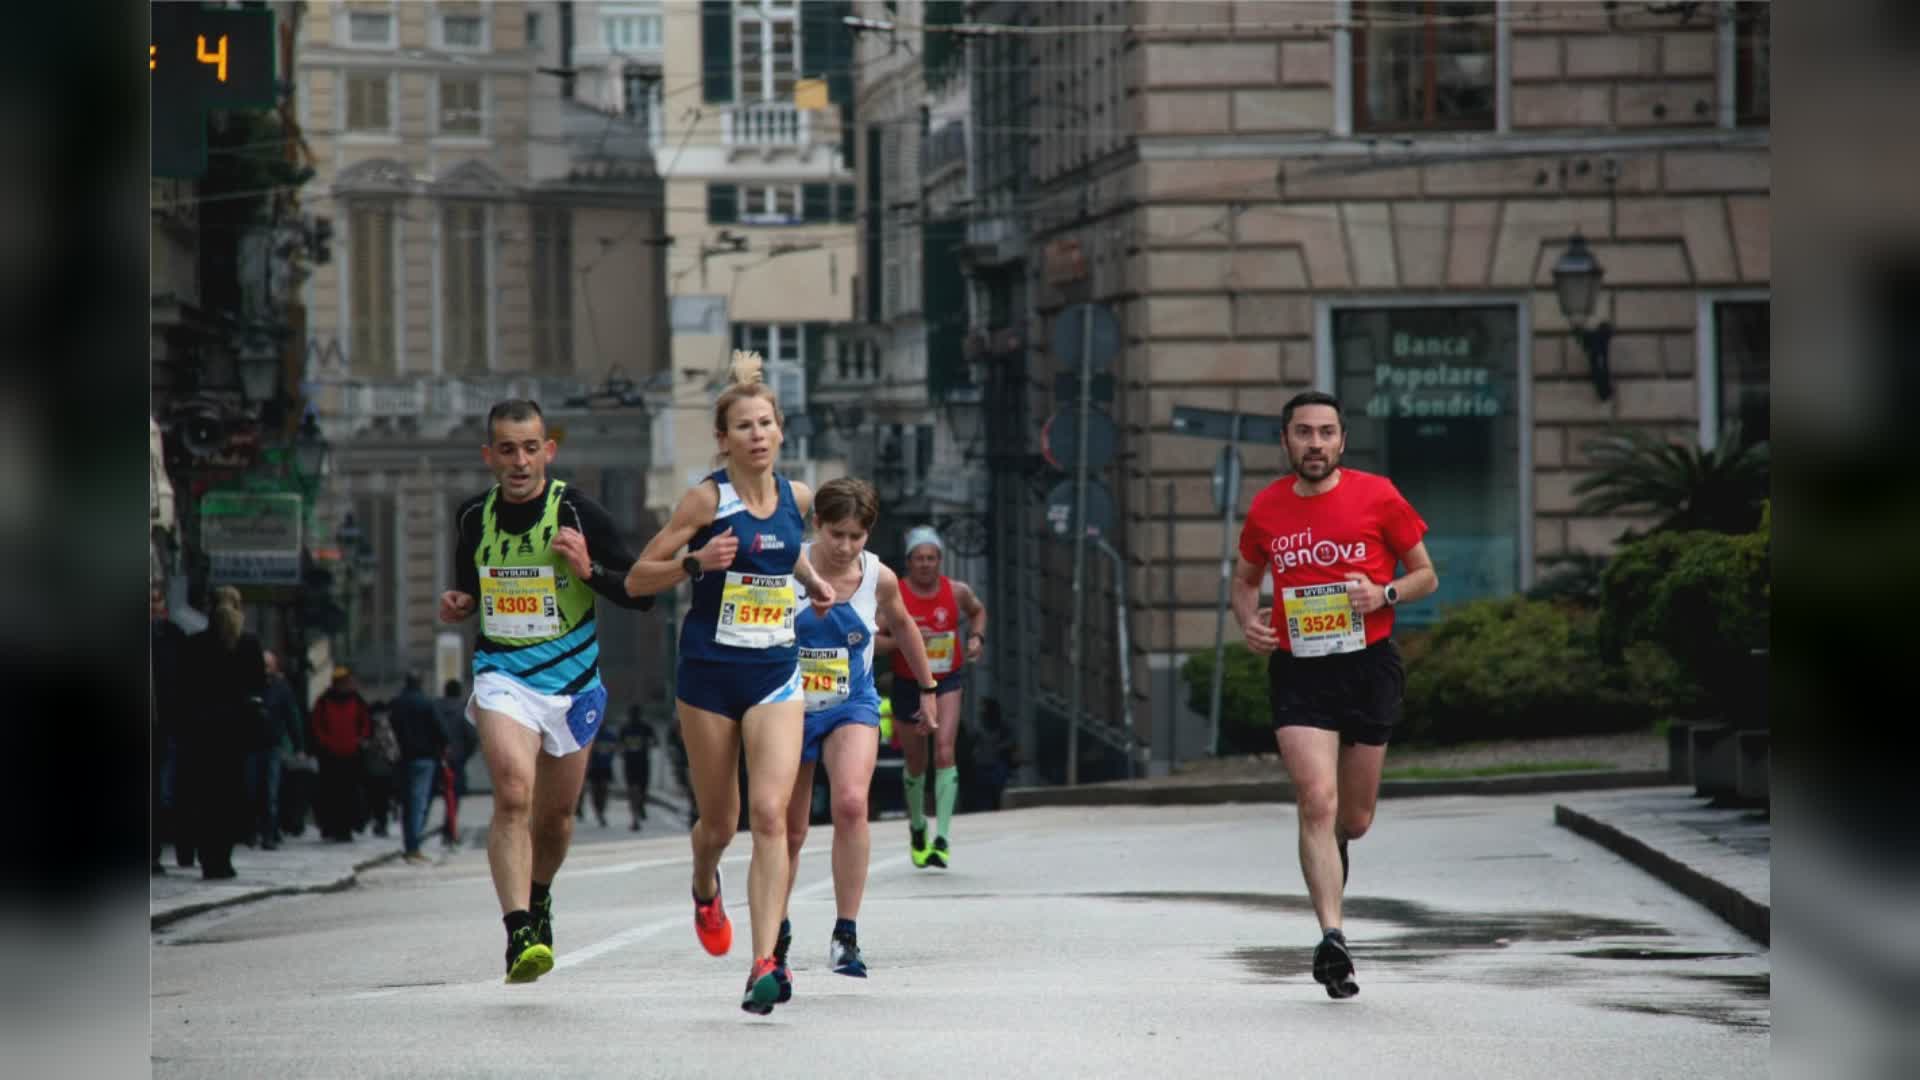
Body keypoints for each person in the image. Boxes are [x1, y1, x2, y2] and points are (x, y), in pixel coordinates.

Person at [623, 350, 837, 1015]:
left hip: (776, 674)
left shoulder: (798, 498)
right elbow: (636, 578)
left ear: (781, 431)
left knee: (771, 815)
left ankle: (764, 962)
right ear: (724, 439)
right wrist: (694, 562)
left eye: (766, 424)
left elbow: (785, 550)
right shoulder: (704, 500)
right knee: (722, 821)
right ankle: (702, 883)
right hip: (710, 679)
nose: (757, 435)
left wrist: (813, 581)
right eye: (743, 426)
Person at [438, 398, 656, 984]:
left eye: (530, 448)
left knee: (556, 819)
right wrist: (460, 603)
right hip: (503, 676)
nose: (519, 461)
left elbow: (642, 593)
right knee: (512, 793)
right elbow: (469, 588)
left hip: (574, 685)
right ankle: (518, 933)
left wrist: (590, 572)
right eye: (506, 449)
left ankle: (538, 895)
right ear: (490, 456)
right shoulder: (470, 518)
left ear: (548, 452)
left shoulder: (578, 513)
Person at [1231, 390, 1437, 1001]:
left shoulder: (1379, 495)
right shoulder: (1267, 508)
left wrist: (1385, 595)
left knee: (1353, 818)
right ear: (1286, 441)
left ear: (1342, 441)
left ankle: (1336, 852)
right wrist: (1250, 621)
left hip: (1368, 666)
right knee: (1314, 799)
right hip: (1299, 670)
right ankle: (1332, 937)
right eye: (1302, 432)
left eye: (1325, 433)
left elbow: (1425, 573)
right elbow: (1244, 581)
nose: (1314, 443)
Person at [776, 477, 939, 981]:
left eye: (857, 535)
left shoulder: (877, 577)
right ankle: (774, 929)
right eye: (837, 534)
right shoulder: (785, 567)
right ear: (817, 525)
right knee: (792, 829)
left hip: (853, 702)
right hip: (787, 706)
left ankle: (845, 934)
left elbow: (905, 625)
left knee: (851, 803)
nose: (846, 547)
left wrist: (928, 689)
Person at [875, 525, 988, 869]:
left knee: (944, 750)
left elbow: (977, 611)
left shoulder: (956, 592)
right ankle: (918, 826)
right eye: (919, 558)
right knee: (916, 762)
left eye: (931, 558)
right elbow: (874, 639)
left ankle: (943, 837)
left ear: (940, 560)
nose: (925, 564)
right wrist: (904, 642)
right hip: (908, 685)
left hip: (947, 681)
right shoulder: (896, 597)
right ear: (908, 562)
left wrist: (976, 639)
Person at [177, 587, 265, 879]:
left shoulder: (194, 644)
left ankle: (207, 857)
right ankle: (223, 859)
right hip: (235, 735)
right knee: (229, 798)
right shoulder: (249, 645)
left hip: (201, 733)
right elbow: (258, 688)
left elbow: (184, 690)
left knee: (204, 797)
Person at [388, 672, 448, 863]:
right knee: (418, 803)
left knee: (407, 803)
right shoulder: (426, 703)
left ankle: (410, 843)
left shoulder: (396, 704)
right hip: (424, 758)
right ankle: (413, 846)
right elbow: (441, 730)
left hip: (402, 758)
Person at [310, 667, 372, 842]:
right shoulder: (323, 702)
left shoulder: (357, 701)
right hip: (330, 756)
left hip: (351, 755)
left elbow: (365, 724)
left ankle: (346, 827)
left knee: (349, 794)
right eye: (346, 682)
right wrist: (325, 743)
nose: (349, 685)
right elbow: (317, 726)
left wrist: (359, 740)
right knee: (331, 794)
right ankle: (331, 826)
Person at [618, 706, 658, 830]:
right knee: (634, 790)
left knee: (640, 790)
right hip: (633, 763)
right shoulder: (626, 728)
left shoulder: (645, 727)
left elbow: (655, 742)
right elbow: (618, 744)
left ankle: (639, 808)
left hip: (639, 762)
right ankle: (635, 818)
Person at [584, 730, 616, 827]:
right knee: (595, 791)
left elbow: (616, 748)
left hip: (606, 766)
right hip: (594, 767)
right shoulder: (591, 734)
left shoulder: (610, 735)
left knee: (604, 789)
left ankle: (601, 811)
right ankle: (598, 811)